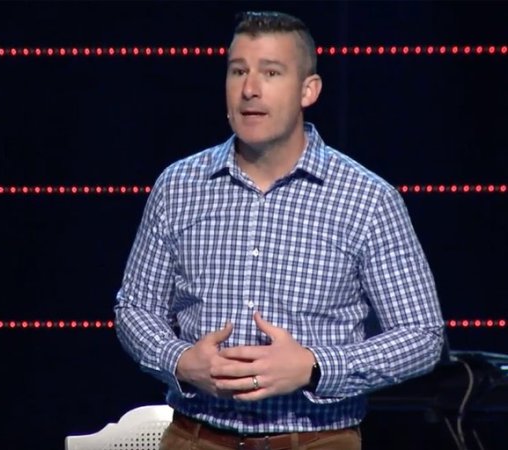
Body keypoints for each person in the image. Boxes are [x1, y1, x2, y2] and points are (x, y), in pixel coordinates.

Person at [115, 10, 444, 450]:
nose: (250, 89)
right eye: (238, 71)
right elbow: (135, 307)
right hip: (196, 436)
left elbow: (422, 337)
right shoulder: (178, 186)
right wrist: (180, 361)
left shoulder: (367, 199)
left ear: (309, 90)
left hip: (316, 439)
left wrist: (315, 367)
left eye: (270, 72)